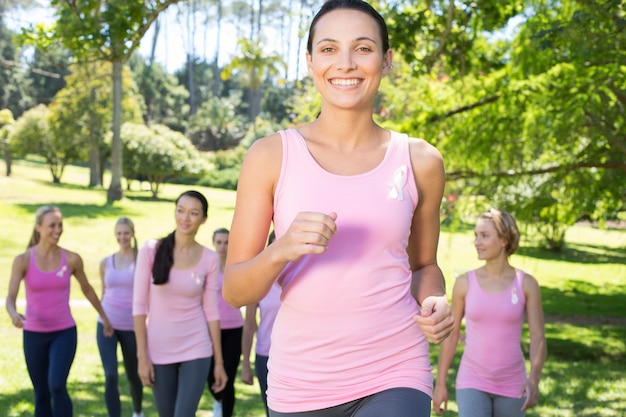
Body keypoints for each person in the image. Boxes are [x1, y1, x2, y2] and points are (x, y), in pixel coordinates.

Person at [222, 1, 455, 416]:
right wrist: (282, 248)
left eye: (363, 49)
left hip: (396, 369)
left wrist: (434, 299)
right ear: (311, 62)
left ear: (386, 61)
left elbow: (423, 267)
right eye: (329, 49)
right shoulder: (271, 156)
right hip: (301, 384)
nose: (345, 63)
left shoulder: (420, 161)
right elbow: (236, 289)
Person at [433, 208, 547, 417]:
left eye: (484, 236)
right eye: (476, 235)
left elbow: (538, 337)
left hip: (514, 384)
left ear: (504, 240)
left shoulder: (526, 284)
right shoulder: (464, 283)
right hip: (472, 380)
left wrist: (534, 379)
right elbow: (451, 336)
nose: (477, 242)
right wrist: (440, 384)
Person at [5, 205, 114, 417]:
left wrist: (104, 317)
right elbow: (10, 297)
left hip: (64, 332)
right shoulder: (23, 260)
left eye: (60, 225)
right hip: (34, 334)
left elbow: (88, 290)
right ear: (38, 227)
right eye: (51, 225)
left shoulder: (72, 259)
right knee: (41, 393)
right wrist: (13, 314)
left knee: (56, 384)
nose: (57, 230)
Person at [133, 190, 227, 417]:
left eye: (193, 213)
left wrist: (219, 362)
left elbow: (212, 312)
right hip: (159, 348)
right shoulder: (150, 251)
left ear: (203, 219)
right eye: (180, 211)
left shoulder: (209, 258)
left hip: (196, 346)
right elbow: (138, 306)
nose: (185, 218)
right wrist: (142, 356)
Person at [97, 217, 144, 417]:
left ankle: (137, 411)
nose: (122, 237)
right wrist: (104, 319)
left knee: (133, 374)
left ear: (133, 233)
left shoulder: (142, 260)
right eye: (119, 233)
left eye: (126, 233)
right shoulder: (106, 262)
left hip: (132, 326)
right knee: (110, 374)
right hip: (107, 324)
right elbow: (103, 293)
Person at [241, 231, 280, 417]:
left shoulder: (304, 279)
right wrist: (246, 365)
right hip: (265, 356)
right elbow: (249, 325)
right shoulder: (260, 282)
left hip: (299, 356)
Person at [207, 228, 244, 417]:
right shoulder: (207, 267)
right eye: (219, 242)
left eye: (226, 242)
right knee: (210, 377)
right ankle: (219, 401)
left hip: (234, 329)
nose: (222, 246)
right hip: (210, 331)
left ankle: (225, 411)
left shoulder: (235, 266)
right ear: (213, 243)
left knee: (227, 377)